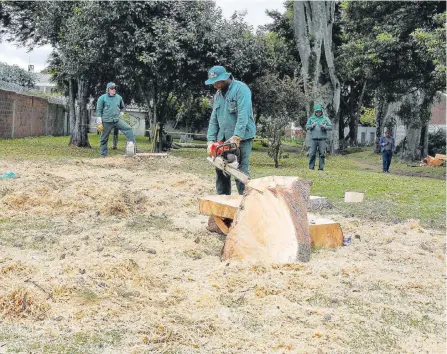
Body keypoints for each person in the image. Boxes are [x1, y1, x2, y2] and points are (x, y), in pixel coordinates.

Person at [205, 66, 256, 195]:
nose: (215, 85)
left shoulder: (241, 89)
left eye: (217, 82)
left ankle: (246, 204)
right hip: (223, 138)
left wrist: (237, 136)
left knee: (240, 172)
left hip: (242, 138)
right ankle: (222, 202)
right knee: (221, 169)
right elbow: (214, 119)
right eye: (213, 83)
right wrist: (211, 140)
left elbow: (243, 115)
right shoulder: (217, 96)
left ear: (225, 78)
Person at [96, 82, 137, 157]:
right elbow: (98, 110)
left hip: (116, 120)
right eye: (111, 88)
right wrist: (99, 121)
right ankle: (103, 155)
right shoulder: (102, 98)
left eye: (114, 88)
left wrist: (121, 112)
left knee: (128, 129)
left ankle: (134, 149)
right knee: (104, 139)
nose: (113, 90)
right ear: (108, 89)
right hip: (106, 121)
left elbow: (122, 107)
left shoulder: (119, 97)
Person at [305, 104, 332, 170]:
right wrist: (312, 125)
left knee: (322, 154)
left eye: (319, 111)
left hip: (322, 139)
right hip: (313, 139)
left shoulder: (325, 118)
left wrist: (324, 126)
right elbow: (307, 127)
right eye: (317, 112)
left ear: (321, 111)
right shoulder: (311, 118)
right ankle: (311, 167)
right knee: (312, 154)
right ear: (315, 112)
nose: (318, 113)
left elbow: (330, 127)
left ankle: (321, 168)